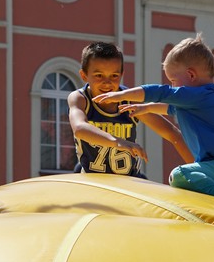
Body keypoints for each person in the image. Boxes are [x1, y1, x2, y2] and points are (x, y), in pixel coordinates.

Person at [94, 35, 214, 201]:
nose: (172, 86)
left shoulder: (199, 95)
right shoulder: (209, 97)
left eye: (173, 80)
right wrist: (145, 108)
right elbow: (170, 108)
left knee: (180, 175)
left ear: (191, 75)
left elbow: (160, 92)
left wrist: (120, 95)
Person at [69, 42, 194, 177]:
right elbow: (80, 128)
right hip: (93, 179)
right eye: (99, 75)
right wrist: (117, 142)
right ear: (84, 75)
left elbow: (172, 134)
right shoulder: (80, 98)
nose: (107, 82)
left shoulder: (129, 100)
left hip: (128, 180)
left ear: (122, 74)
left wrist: (199, 168)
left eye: (114, 76)